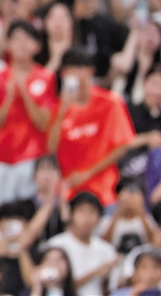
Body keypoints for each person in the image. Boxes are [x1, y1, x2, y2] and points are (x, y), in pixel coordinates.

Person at [49, 47, 136, 206]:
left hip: (104, 189)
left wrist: (88, 173)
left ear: (90, 71)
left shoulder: (111, 103)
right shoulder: (57, 107)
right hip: (68, 191)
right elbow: (51, 148)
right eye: (68, 70)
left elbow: (123, 145)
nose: (74, 75)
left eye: (79, 69)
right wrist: (62, 112)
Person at [0, 20, 57, 205]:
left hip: (32, 159)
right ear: (8, 44)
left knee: (27, 209)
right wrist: (8, 99)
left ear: (37, 46)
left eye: (27, 39)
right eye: (16, 39)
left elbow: (44, 124)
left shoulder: (46, 78)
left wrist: (24, 93)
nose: (21, 44)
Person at [46, 192, 118, 296]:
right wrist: (97, 272)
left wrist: (106, 279)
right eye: (81, 211)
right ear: (71, 214)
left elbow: (110, 290)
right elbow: (56, 286)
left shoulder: (107, 250)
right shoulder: (56, 245)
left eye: (92, 212)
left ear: (99, 218)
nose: (86, 218)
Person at [69, 0, 130, 80]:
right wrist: (75, 18)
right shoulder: (64, 18)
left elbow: (119, 56)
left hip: (101, 81)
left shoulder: (108, 25)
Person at [98, 178, 156, 250]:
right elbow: (103, 245)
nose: (130, 200)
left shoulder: (148, 220)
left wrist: (140, 211)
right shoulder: (106, 221)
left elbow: (154, 241)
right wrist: (117, 213)